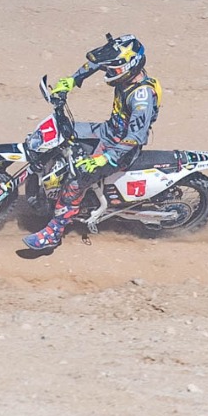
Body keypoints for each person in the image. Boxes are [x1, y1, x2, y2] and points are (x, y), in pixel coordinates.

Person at [22, 33, 162, 252]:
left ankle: (54, 232)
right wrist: (72, 80)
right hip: (108, 130)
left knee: (76, 180)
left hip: (121, 148)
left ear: (129, 66)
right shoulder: (126, 76)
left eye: (113, 69)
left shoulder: (141, 97)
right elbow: (96, 63)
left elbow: (135, 137)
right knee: (61, 134)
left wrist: (103, 159)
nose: (108, 72)